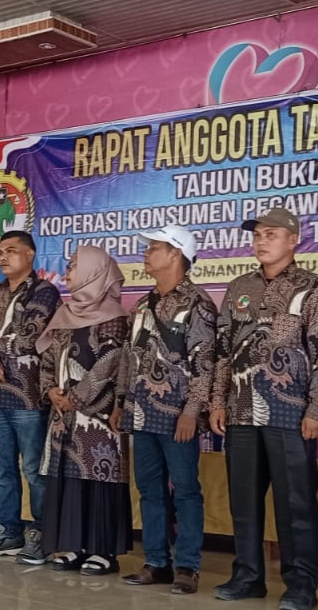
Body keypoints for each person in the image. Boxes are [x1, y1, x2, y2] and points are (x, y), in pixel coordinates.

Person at [209, 208, 318, 610]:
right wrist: (218, 400)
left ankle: (301, 584)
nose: (261, 241)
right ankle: (248, 576)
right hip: (241, 410)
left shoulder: (313, 289)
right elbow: (222, 350)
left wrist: (317, 409)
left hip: (289, 414)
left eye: (271, 234)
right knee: (243, 501)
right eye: (257, 235)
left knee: (296, 503)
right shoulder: (239, 287)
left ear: (293, 240)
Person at [114, 224, 215, 595]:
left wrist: (192, 410)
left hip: (177, 417)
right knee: (150, 490)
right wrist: (122, 401)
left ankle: (187, 566)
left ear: (175, 254)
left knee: (186, 490)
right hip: (141, 412)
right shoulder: (143, 305)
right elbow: (129, 357)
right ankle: (156, 562)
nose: (146, 253)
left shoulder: (198, 304)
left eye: (154, 247)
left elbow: (205, 363)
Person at [37, 246, 132, 576]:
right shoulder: (64, 314)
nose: (67, 272)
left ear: (94, 271)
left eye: (74, 266)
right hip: (63, 415)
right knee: (69, 479)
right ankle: (73, 544)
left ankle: (103, 550)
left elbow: (109, 363)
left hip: (98, 416)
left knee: (98, 477)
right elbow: (48, 359)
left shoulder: (113, 316)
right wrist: (50, 389)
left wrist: (75, 398)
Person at [0, 231, 62, 563]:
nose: (4, 257)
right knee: (1, 471)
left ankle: (40, 533)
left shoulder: (44, 292)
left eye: (12, 251)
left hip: (28, 396)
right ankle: (8, 530)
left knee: (34, 470)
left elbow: (28, 337)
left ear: (30, 255)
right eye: (0, 252)